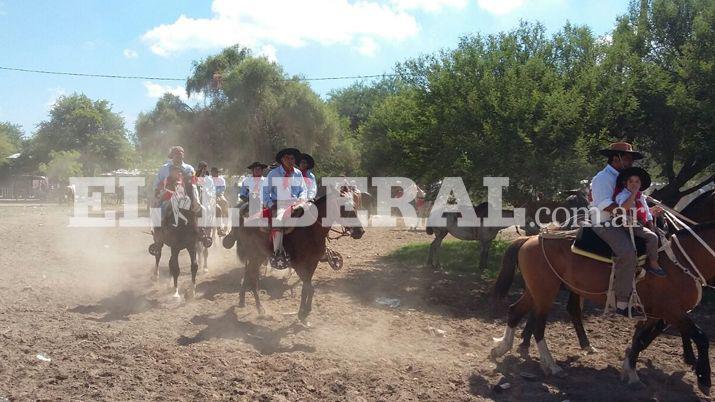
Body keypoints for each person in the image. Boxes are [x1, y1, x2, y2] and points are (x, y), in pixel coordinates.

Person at [588, 142, 661, 319]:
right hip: (606, 223)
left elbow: (638, 197)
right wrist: (626, 214)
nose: (631, 162)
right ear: (616, 158)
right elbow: (603, 203)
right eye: (628, 158)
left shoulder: (626, 176)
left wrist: (647, 214)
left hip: (625, 221)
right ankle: (621, 303)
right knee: (627, 252)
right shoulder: (603, 178)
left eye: (631, 159)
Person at [613, 167, 665, 277]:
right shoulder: (622, 195)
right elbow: (624, 208)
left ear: (641, 184)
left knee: (661, 232)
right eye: (631, 181)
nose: (634, 184)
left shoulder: (640, 196)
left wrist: (651, 224)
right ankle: (653, 263)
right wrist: (633, 194)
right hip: (627, 224)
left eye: (637, 181)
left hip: (640, 223)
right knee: (652, 237)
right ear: (625, 183)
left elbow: (646, 211)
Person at [263, 148, 308, 268]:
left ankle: (320, 248)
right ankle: (278, 252)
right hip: (279, 204)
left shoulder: (298, 173)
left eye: (292, 158)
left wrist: (301, 201)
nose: (291, 160)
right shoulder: (273, 174)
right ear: (282, 160)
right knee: (278, 221)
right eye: (288, 158)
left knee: (317, 216)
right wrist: (270, 205)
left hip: (296, 203)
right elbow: (265, 193)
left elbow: (303, 190)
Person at [152, 146, 196, 247]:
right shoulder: (164, 168)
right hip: (168, 196)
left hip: (187, 197)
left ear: (183, 155)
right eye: (176, 154)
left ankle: (200, 232)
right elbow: (157, 183)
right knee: (157, 208)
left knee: (200, 209)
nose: (179, 155)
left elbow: (195, 183)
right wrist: (157, 192)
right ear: (172, 156)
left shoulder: (189, 168)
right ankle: (158, 234)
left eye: (181, 153)